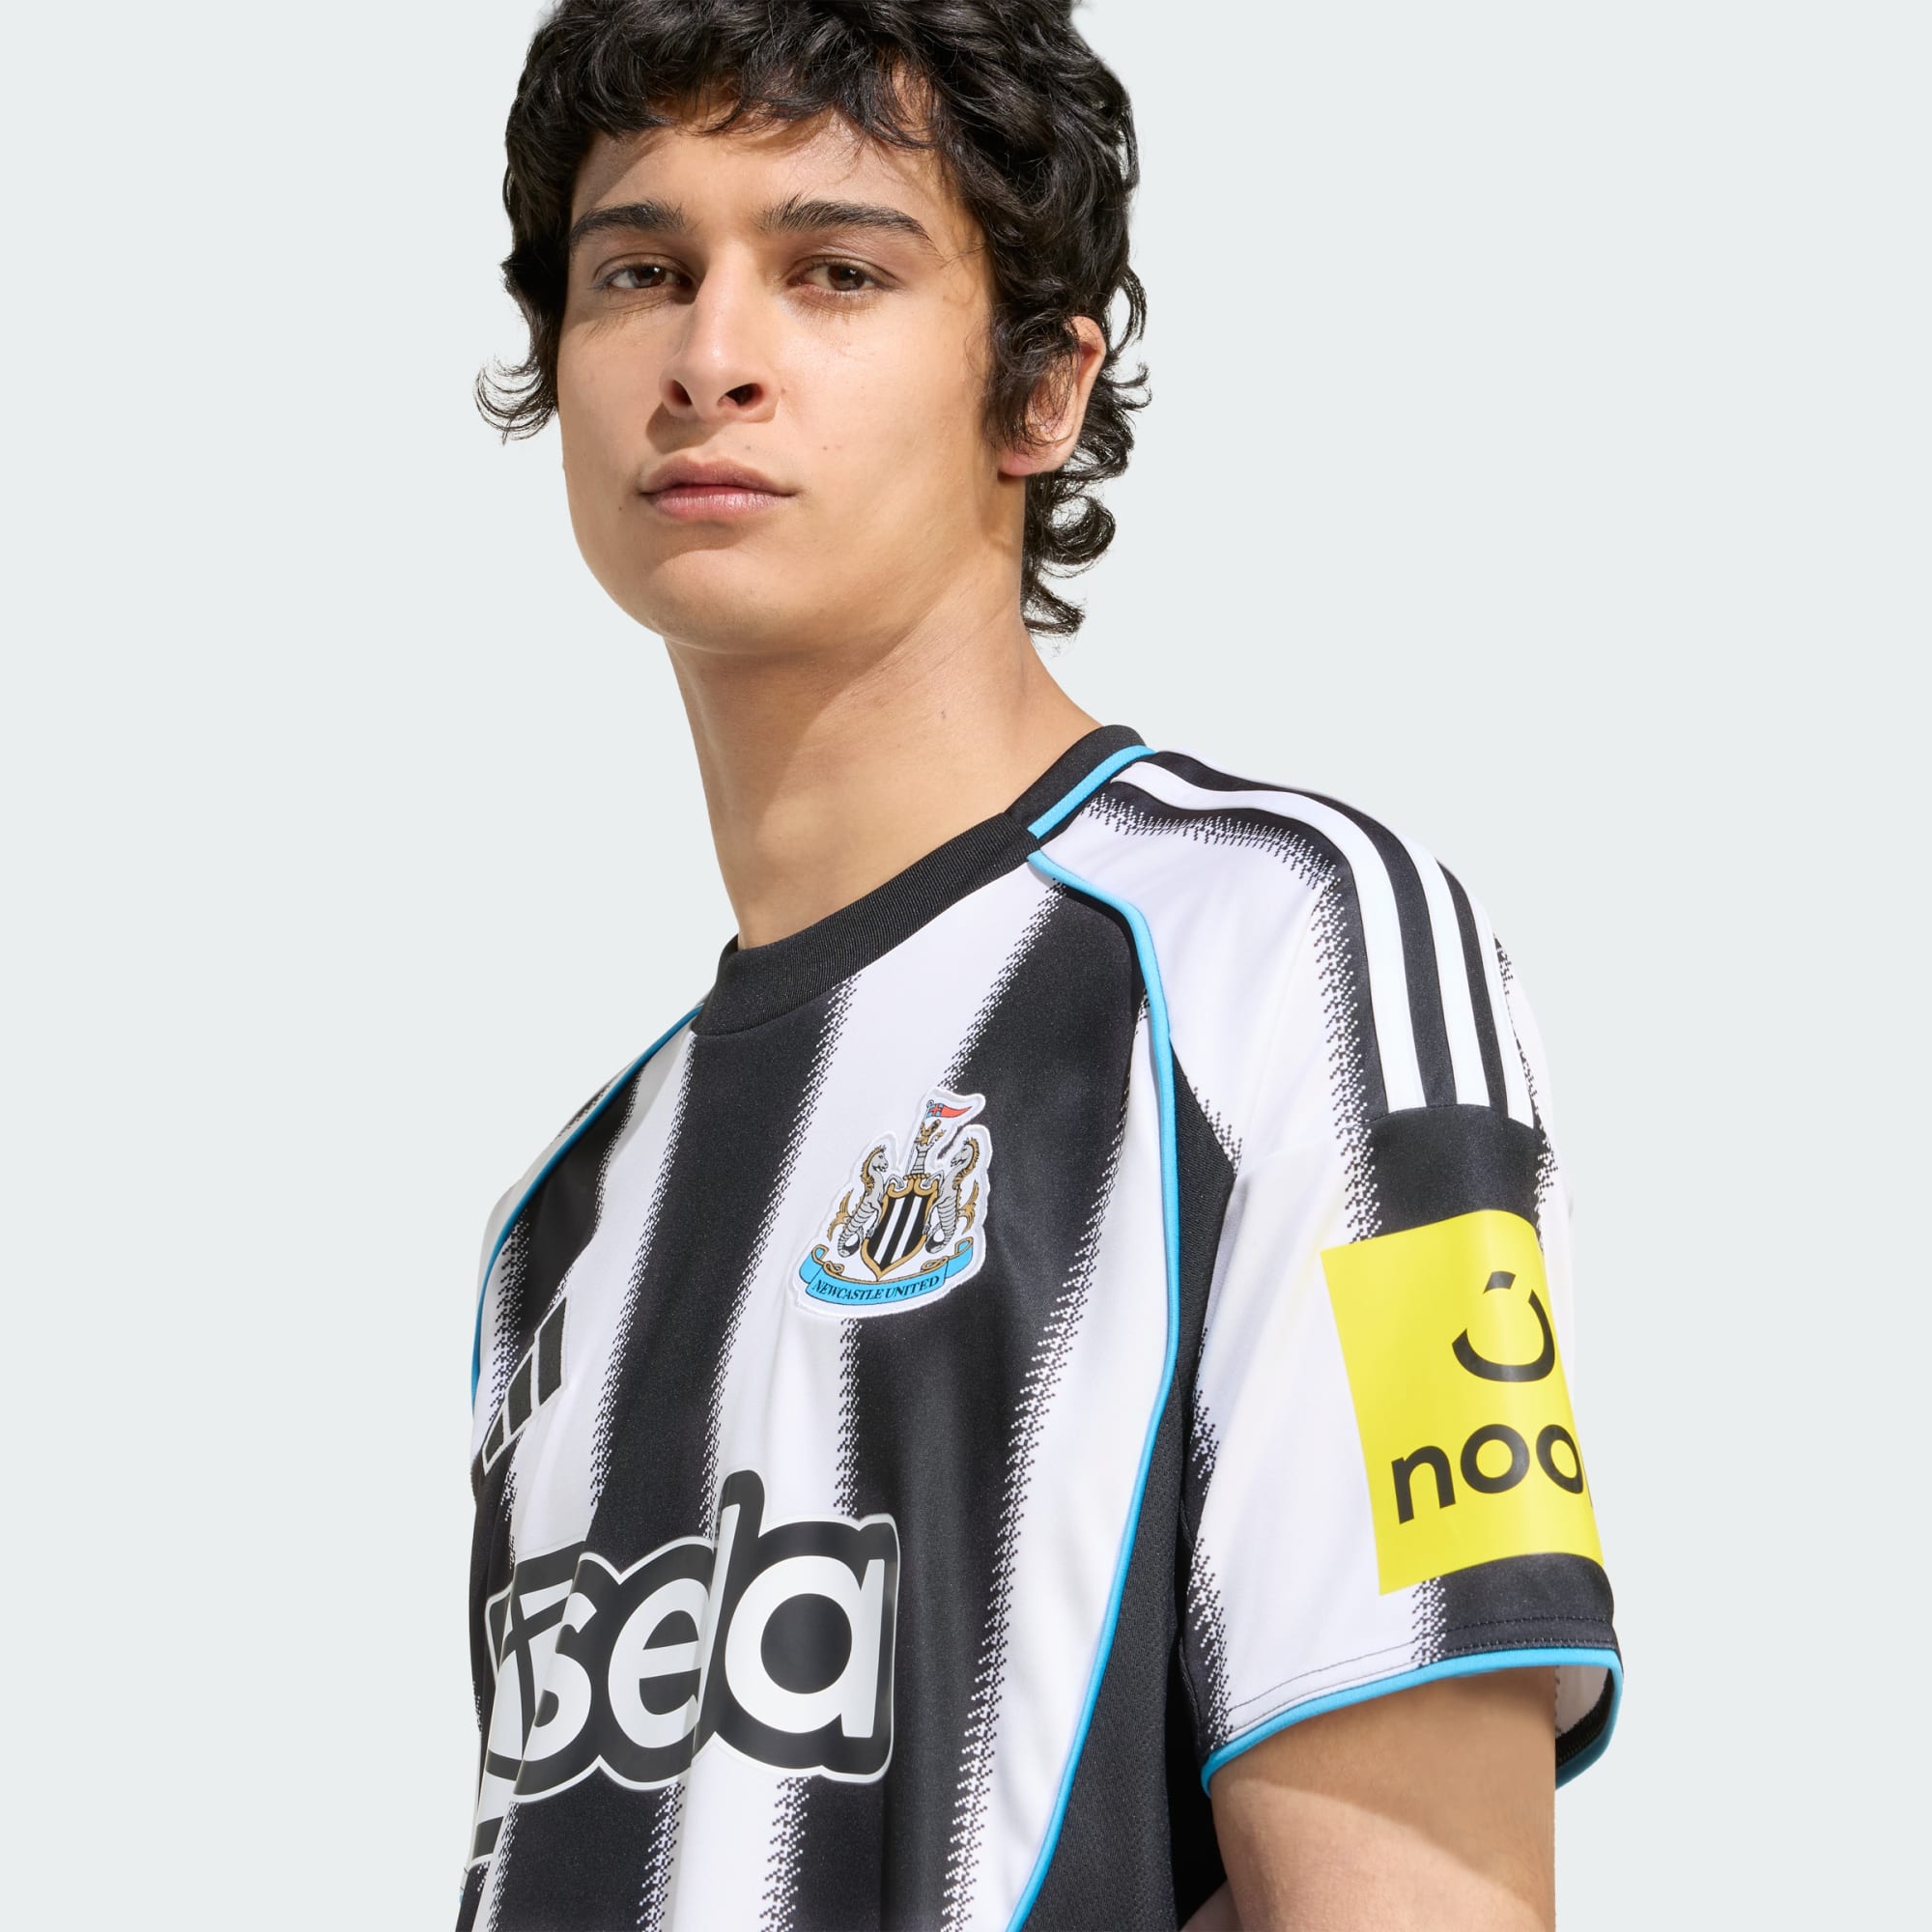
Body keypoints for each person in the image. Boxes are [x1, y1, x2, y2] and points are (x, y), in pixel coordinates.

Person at [459, 4, 1621, 1927]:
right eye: (639, 272)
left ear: (1041, 389)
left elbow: (1429, 1900)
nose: (711, 355)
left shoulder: (1299, 956)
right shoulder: (565, 1222)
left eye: (835, 272)